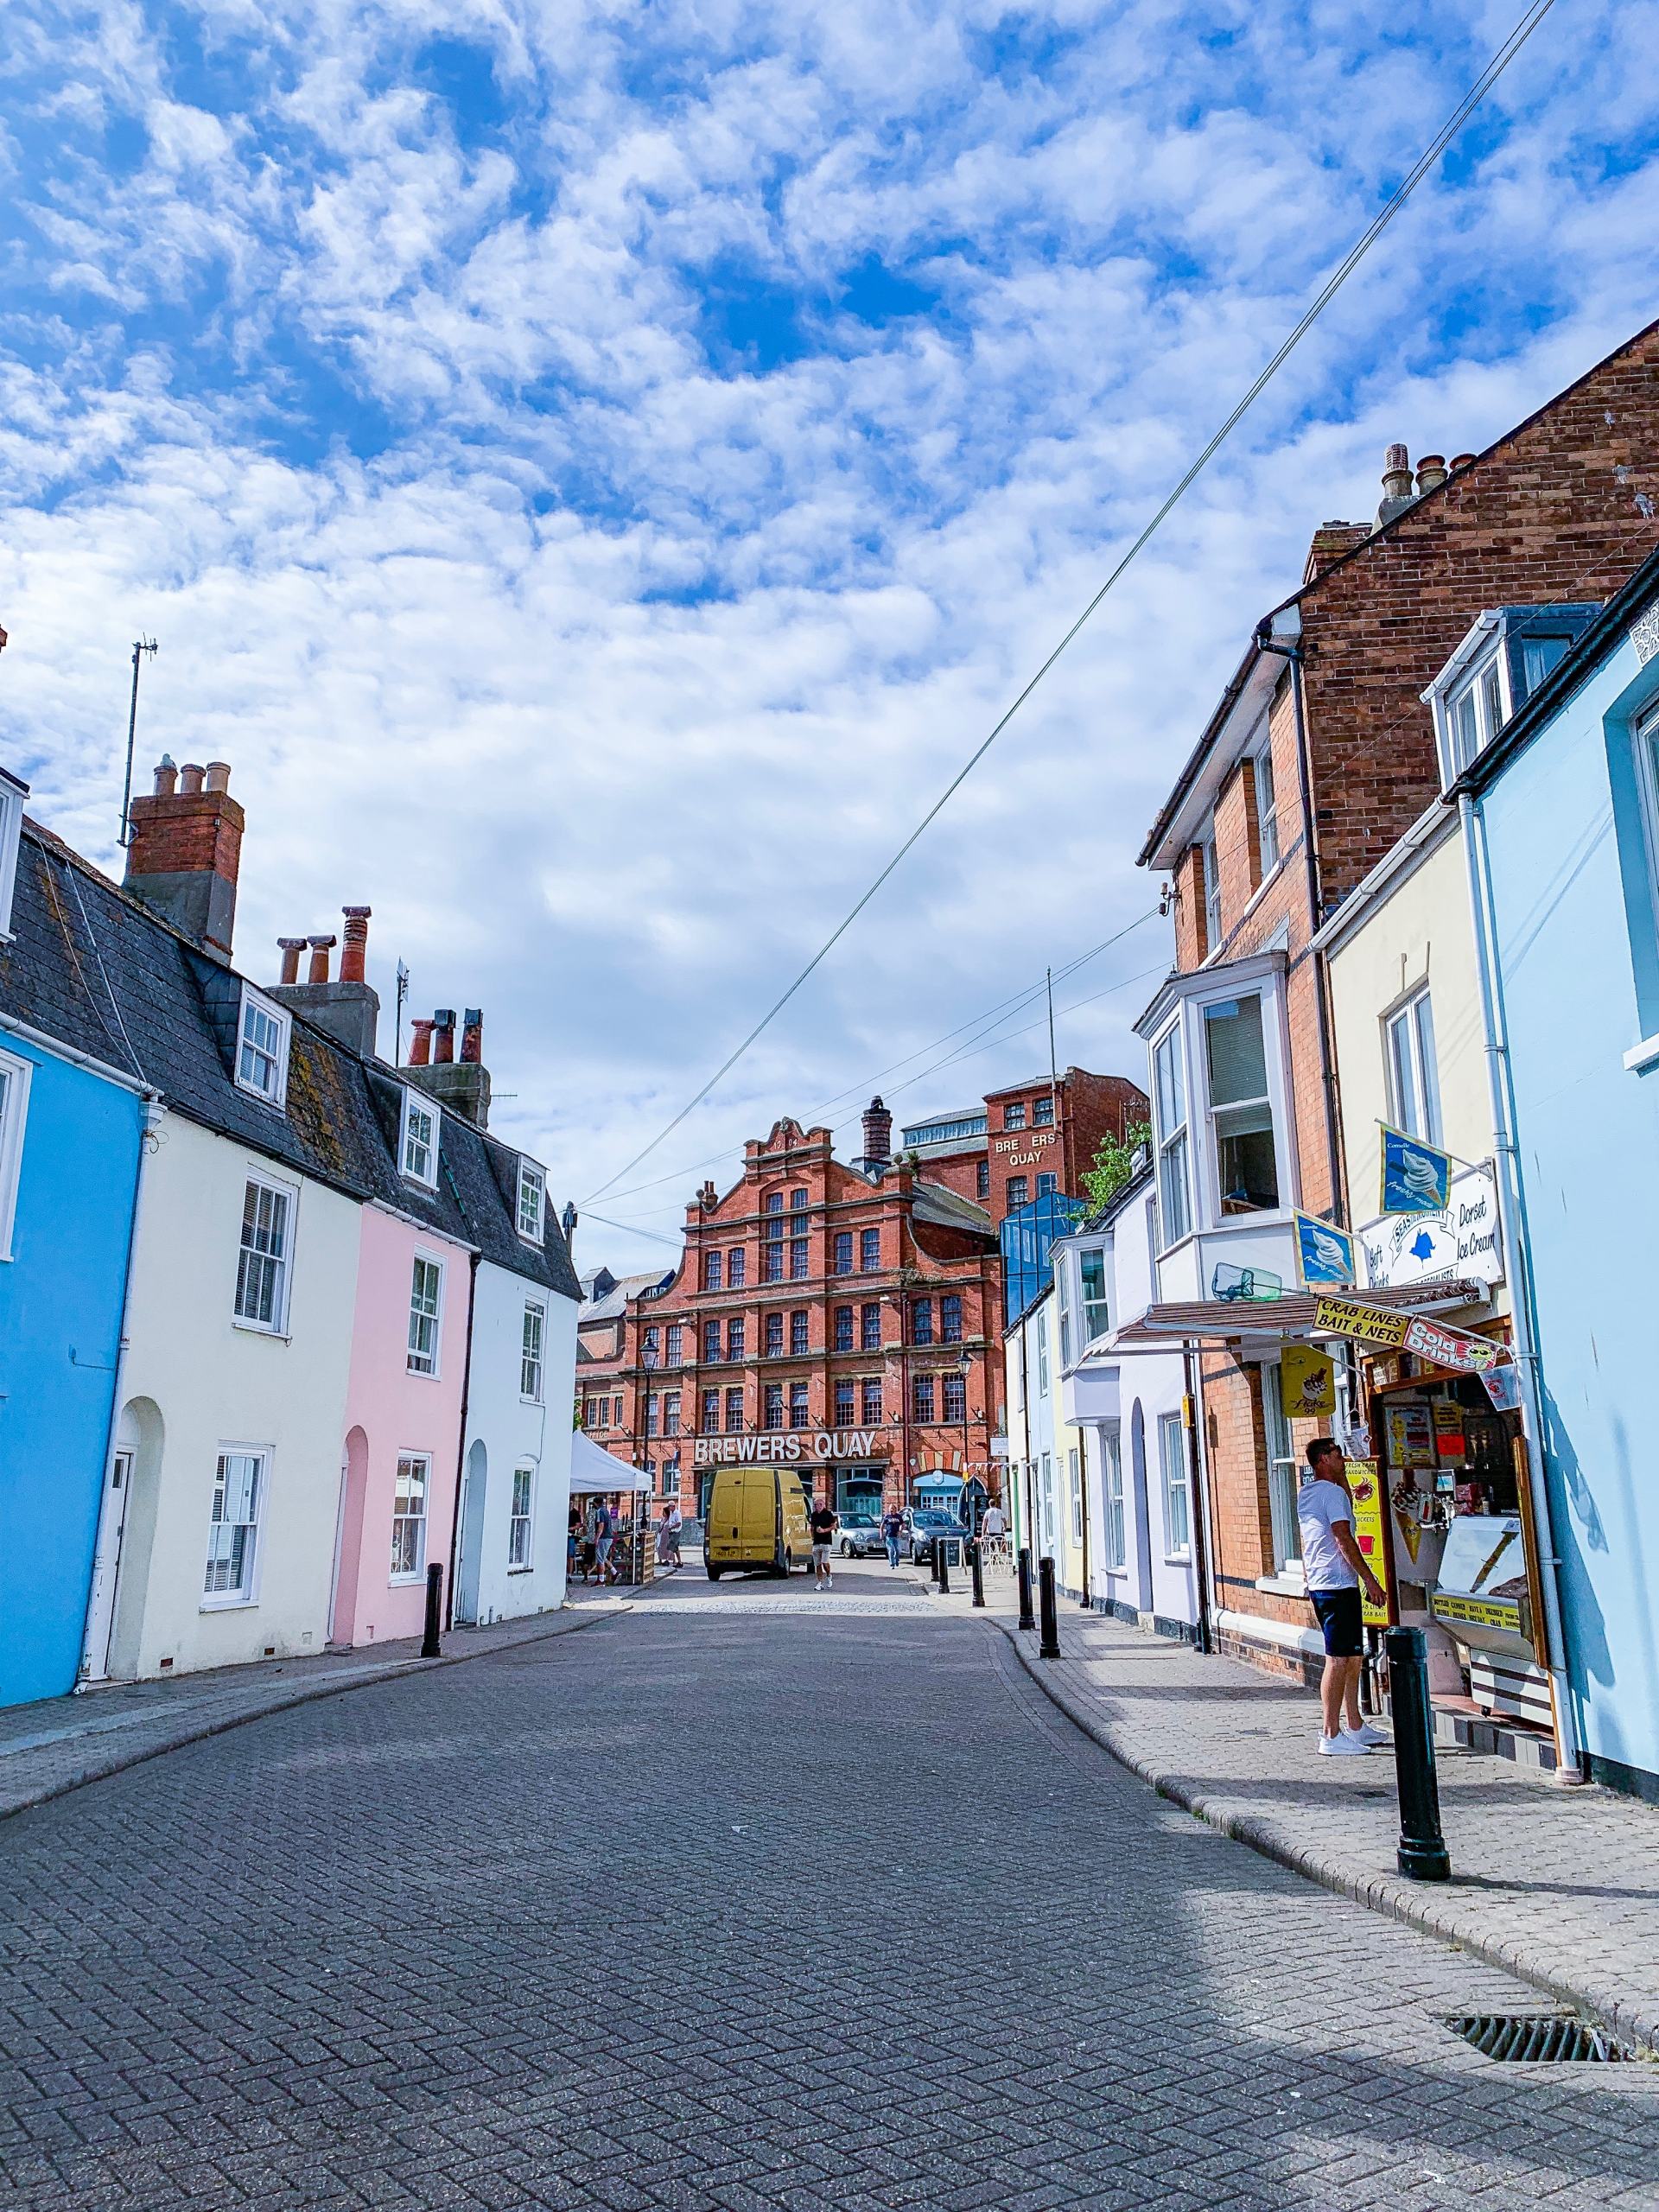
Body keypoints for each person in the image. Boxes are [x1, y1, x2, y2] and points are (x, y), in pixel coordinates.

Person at [1296, 1438, 1388, 1756]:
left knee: (1353, 1655)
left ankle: (1355, 1725)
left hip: (1327, 1583)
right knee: (1337, 1658)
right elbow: (1343, 1538)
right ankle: (1330, 1734)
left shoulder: (1310, 1492)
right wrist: (1370, 1580)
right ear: (1323, 1459)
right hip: (1336, 1584)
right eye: (1337, 1454)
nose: (1343, 1458)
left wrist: (1344, 1475)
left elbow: (1330, 1522)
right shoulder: (1331, 1494)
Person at [810, 1496, 839, 1589]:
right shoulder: (814, 1515)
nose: (816, 1507)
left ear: (822, 1505)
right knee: (817, 1564)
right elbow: (812, 1527)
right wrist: (812, 1536)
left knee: (824, 1562)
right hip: (817, 1542)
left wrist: (824, 1530)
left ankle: (829, 1575)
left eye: (817, 1505)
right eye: (814, 1505)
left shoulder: (828, 1514)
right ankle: (820, 1583)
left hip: (826, 1542)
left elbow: (833, 1526)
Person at [593, 1497, 615, 1587]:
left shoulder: (599, 1512)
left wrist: (597, 1538)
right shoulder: (606, 1511)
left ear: (596, 1503)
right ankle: (615, 1572)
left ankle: (601, 1580)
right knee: (603, 1557)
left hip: (603, 1537)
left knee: (600, 1559)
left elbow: (601, 1525)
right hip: (608, 1536)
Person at [880, 1503, 905, 1568]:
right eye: (890, 1510)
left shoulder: (899, 1516)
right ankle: (892, 1564)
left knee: (897, 1550)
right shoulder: (887, 1517)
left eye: (892, 1509)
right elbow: (882, 1526)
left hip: (896, 1536)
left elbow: (902, 1524)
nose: (891, 1511)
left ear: (895, 1510)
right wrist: (881, 1535)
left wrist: (900, 1531)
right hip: (889, 1536)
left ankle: (896, 1560)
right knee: (891, 1550)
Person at [665, 1498, 683, 1572]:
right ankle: (679, 1562)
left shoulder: (677, 1513)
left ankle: (667, 1561)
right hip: (671, 1532)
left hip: (676, 1532)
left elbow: (679, 1523)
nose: (669, 1508)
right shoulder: (671, 1513)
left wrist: (672, 1527)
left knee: (670, 1545)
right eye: (668, 1506)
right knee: (676, 1548)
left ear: (673, 1506)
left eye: (670, 1506)